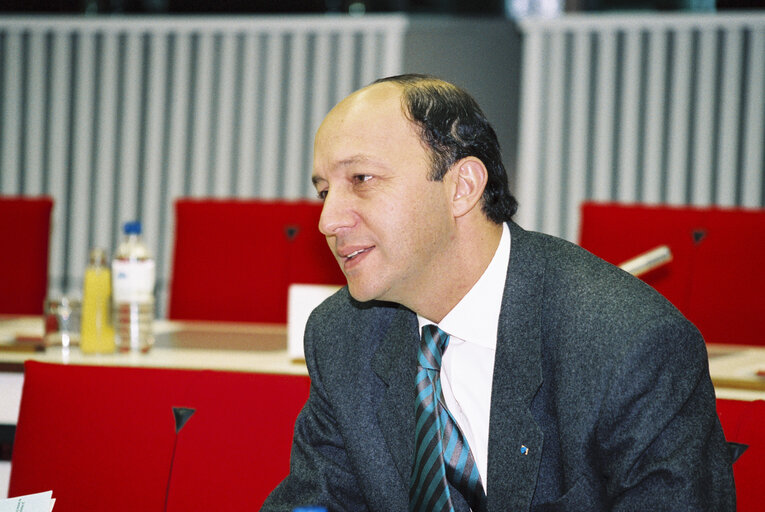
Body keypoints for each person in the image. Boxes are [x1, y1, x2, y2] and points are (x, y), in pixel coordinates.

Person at [262, 74, 736, 511]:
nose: (328, 221)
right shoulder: (343, 333)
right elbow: (318, 501)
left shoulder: (629, 344)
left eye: (361, 180)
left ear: (462, 187)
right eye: (324, 191)